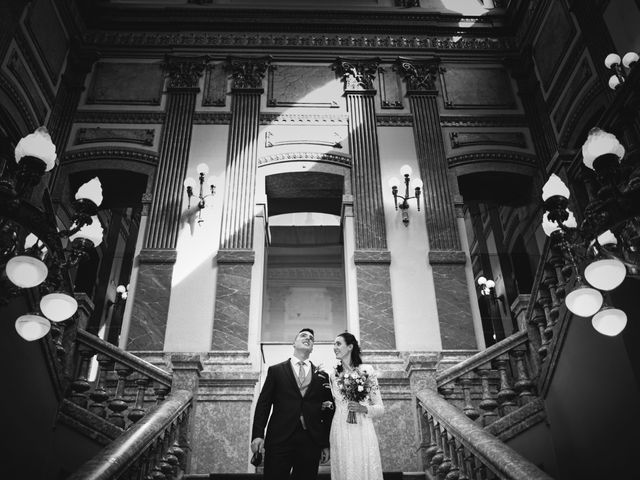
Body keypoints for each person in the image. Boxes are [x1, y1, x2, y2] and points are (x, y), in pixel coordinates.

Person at [251, 328, 334, 480]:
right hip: (279, 438)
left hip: (311, 440)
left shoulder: (322, 376)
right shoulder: (276, 371)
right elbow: (263, 404)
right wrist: (257, 434)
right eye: (303, 336)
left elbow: (327, 412)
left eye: (311, 338)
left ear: (312, 347)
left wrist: (325, 443)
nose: (308, 338)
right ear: (293, 343)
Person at [330, 332, 384, 480]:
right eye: (333, 344)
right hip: (340, 428)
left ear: (350, 347)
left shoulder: (367, 371)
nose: (334, 347)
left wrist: (364, 408)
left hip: (362, 428)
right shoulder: (332, 375)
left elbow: (380, 408)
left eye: (338, 344)